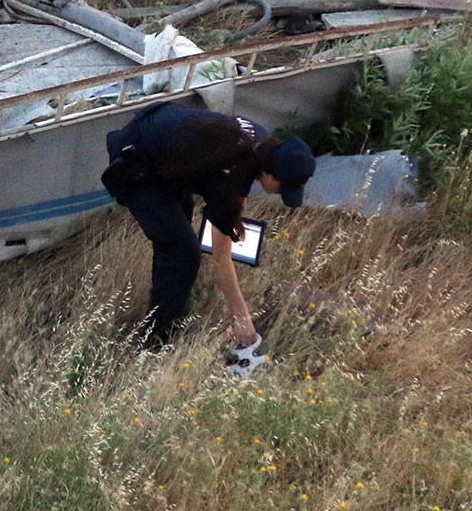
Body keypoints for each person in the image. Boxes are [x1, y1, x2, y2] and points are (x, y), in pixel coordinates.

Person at [101, 100, 316, 351]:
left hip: (163, 149)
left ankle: (169, 310)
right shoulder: (234, 173)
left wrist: (229, 219)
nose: (280, 194)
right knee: (183, 254)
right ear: (270, 173)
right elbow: (220, 257)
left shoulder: (260, 142)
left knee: (180, 235)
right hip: (137, 162)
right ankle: (153, 343)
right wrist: (242, 318)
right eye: (283, 187)